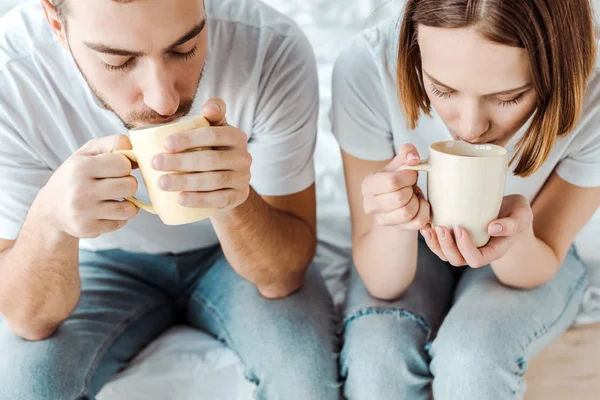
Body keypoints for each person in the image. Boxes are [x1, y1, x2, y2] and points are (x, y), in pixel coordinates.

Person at [0, 0, 341, 399]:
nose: (165, 103)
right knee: (27, 387)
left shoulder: (270, 48)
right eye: (119, 61)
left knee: (307, 381)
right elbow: (28, 320)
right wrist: (50, 221)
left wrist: (233, 198)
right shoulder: (12, 75)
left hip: (226, 257)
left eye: (185, 49)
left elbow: (282, 277)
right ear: (56, 22)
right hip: (98, 259)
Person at [331, 0, 600, 399]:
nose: (471, 127)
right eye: (442, 89)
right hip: (411, 250)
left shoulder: (593, 91)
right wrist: (393, 218)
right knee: (376, 358)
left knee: (472, 359)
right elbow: (383, 282)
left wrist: (515, 237)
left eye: (509, 97)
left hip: (530, 254)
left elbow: (537, 265)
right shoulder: (369, 66)